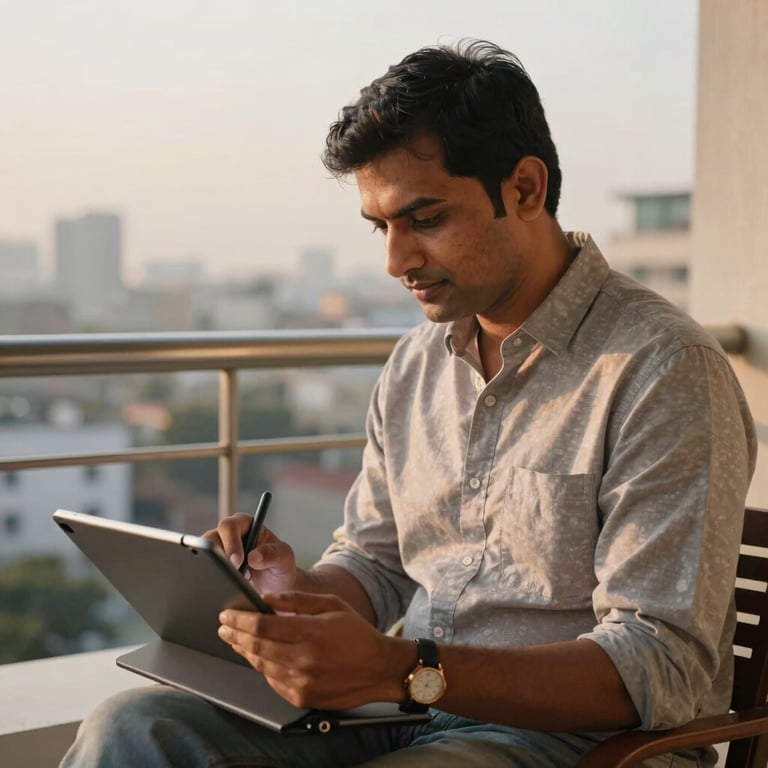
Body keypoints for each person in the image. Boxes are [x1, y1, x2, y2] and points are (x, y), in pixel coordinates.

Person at [61, 39, 756, 768]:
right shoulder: (418, 363)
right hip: (404, 708)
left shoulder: (663, 370)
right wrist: (289, 592)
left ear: (525, 189)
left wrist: (401, 670)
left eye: (425, 219)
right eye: (381, 227)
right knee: (132, 727)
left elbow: (658, 664)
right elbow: (375, 564)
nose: (396, 261)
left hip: (582, 741)